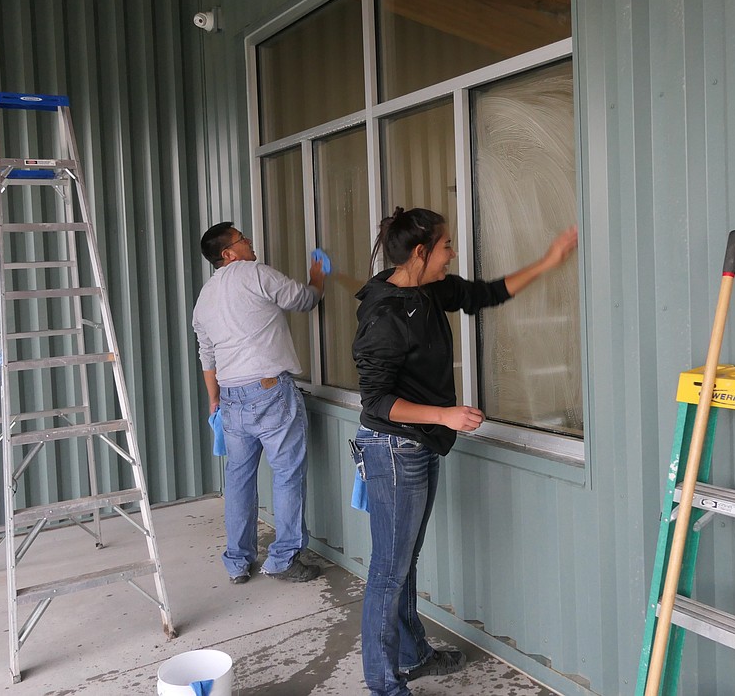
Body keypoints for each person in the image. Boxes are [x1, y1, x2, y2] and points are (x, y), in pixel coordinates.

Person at [351, 207, 578, 695]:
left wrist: (549, 261)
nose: (452, 253)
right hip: (393, 449)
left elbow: (484, 295)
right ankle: (383, 685)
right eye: (446, 245)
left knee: (403, 559)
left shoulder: (430, 289)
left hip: (418, 445)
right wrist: (445, 414)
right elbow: (377, 401)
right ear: (420, 252)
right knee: (389, 571)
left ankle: (413, 655)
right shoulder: (385, 312)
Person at [192, 222, 327, 585]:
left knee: (238, 480)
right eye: (243, 239)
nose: (250, 243)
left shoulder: (205, 297)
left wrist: (214, 400)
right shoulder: (253, 273)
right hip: (269, 393)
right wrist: (317, 277)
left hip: (231, 398)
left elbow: (207, 355)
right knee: (286, 475)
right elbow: (304, 300)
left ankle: (237, 561)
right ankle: (283, 559)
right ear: (228, 253)